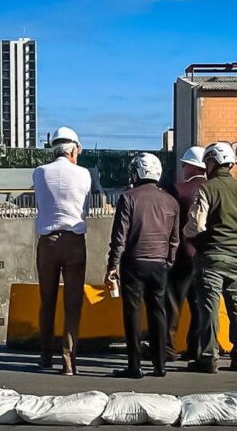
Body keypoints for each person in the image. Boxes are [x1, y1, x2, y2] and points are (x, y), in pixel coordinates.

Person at [184, 142, 237, 373]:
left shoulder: (206, 189)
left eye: (207, 162)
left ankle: (209, 356)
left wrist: (186, 234)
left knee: (210, 307)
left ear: (212, 162)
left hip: (212, 257)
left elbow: (197, 224)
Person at [105, 153, 179, 379]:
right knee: (158, 312)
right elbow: (174, 240)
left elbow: (120, 237)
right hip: (160, 265)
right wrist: (168, 262)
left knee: (133, 313)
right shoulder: (171, 201)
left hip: (134, 263)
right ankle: (160, 365)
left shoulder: (128, 198)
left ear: (137, 173)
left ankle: (134, 366)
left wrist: (112, 265)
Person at [32, 126, 92, 376]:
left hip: (47, 241)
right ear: (73, 150)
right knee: (73, 303)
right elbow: (85, 207)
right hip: (74, 240)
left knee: (47, 301)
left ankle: (46, 355)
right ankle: (68, 359)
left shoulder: (39, 172)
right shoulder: (84, 174)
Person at [165, 146, 207, 362]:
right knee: (199, 305)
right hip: (205, 256)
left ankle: (168, 348)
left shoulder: (178, 190)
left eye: (184, 164)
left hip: (181, 254)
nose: (182, 167)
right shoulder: (213, 189)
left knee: (172, 303)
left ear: (192, 166)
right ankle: (196, 348)